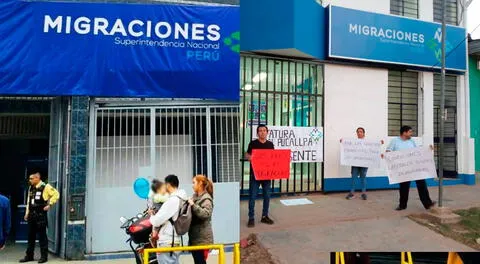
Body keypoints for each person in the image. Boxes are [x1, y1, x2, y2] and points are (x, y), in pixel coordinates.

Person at [385, 126, 436, 211]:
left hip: (414, 167)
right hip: (403, 169)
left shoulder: (411, 141)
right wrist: (389, 155)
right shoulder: (395, 141)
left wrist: (428, 149)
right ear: (404, 133)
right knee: (404, 187)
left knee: (422, 185)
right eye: (410, 132)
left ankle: (428, 204)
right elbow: (388, 151)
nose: (411, 134)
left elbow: (417, 150)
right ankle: (402, 205)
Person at [20, 171, 60, 263]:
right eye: (29, 178)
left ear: (37, 178)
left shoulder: (45, 187)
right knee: (31, 237)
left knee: (42, 237)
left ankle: (44, 257)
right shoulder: (31, 188)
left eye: (31, 178)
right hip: (31, 216)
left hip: (40, 215)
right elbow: (29, 201)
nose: (30, 180)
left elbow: (56, 194)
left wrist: (49, 204)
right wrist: (27, 213)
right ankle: (29, 256)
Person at [149, 175, 188, 264]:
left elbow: (157, 221)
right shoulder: (182, 198)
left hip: (167, 241)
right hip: (175, 239)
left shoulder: (173, 200)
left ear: (169, 185)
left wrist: (151, 215)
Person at [341, 127, 384, 200]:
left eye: (361, 132)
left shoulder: (368, 142)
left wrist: (379, 143)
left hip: (364, 163)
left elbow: (373, 149)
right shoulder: (353, 142)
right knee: (353, 178)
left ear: (364, 133)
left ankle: (363, 193)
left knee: (363, 178)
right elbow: (348, 148)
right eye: (358, 132)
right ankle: (352, 193)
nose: (359, 133)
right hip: (355, 163)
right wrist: (343, 142)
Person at [245, 124, 275, 228]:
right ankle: (251, 218)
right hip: (255, 175)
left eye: (264, 130)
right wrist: (250, 157)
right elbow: (247, 155)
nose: (262, 132)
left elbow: (273, 158)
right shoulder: (253, 143)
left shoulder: (270, 144)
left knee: (267, 196)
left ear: (267, 132)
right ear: (257, 133)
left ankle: (264, 216)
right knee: (252, 196)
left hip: (266, 175)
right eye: (260, 131)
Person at [188, 175, 214, 264]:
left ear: (200, 183)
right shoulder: (195, 197)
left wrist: (193, 205)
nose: (192, 185)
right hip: (195, 239)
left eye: (194, 183)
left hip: (202, 240)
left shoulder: (206, 198)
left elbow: (206, 214)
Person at [147, 179, 169, 247]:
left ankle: (154, 237)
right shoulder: (155, 193)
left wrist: (150, 209)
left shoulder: (154, 193)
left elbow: (150, 204)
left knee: (156, 227)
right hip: (160, 214)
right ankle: (154, 237)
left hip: (159, 214)